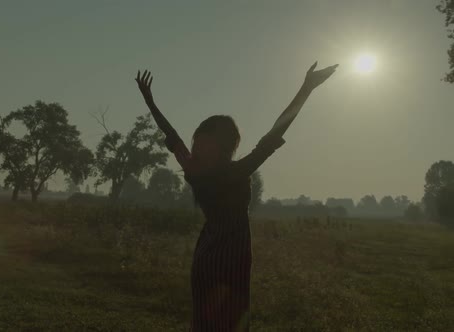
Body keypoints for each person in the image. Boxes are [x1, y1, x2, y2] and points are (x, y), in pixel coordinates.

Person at [135, 61, 338, 331]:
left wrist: (150, 102)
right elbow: (275, 133)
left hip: (206, 256)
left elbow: (171, 135)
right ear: (228, 146)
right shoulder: (235, 172)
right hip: (232, 260)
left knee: (205, 323)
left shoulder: (196, 171)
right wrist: (306, 88)